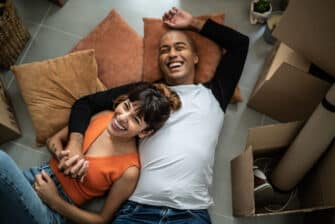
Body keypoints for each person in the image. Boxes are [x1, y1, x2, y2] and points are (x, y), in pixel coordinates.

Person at [62, 7, 249, 223]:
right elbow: (85, 104)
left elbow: (240, 44)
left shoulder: (214, 93)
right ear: (160, 62)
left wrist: (192, 23)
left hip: (191, 213)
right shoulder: (145, 94)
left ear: (196, 57)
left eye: (180, 47)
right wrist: (74, 144)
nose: (172, 54)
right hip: (138, 209)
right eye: (164, 50)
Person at [0, 83, 181, 224]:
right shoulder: (102, 116)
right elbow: (53, 140)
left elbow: (102, 220)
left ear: (145, 132)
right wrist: (63, 155)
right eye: (126, 107)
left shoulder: (130, 170)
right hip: (32, 177)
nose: (122, 117)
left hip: (50, 212)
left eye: (135, 119)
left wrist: (54, 200)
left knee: (2, 162)